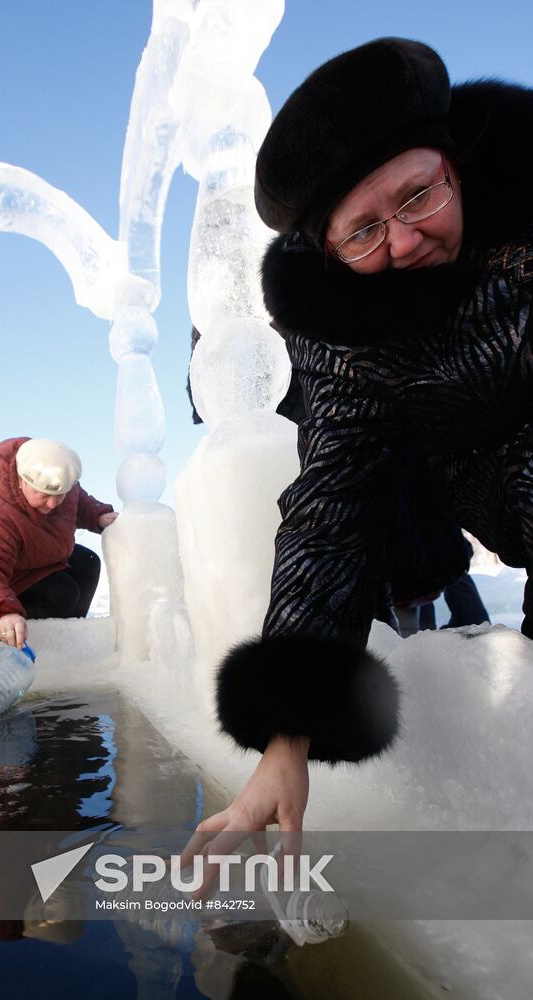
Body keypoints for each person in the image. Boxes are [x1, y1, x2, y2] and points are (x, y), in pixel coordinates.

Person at [193, 38, 533, 843]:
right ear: (329, 252)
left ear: (455, 165)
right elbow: (331, 511)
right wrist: (286, 736)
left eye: (418, 198)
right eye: (363, 233)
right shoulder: (344, 335)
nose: (404, 242)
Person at [0, 437, 118, 647]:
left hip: (27, 557)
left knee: (87, 563)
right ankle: (27, 643)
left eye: (59, 495)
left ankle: (67, 640)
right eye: (45, 495)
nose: (53, 503)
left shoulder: (55, 476)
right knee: (62, 594)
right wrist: (2, 612)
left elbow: (77, 500)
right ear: (22, 481)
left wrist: (98, 515)